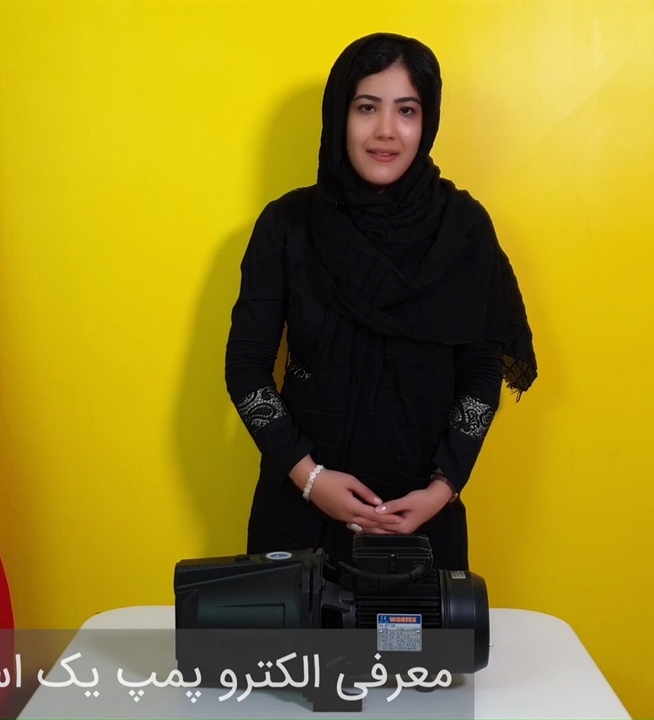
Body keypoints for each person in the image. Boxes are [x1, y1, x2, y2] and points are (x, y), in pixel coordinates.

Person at [224, 32, 536, 571]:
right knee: (290, 632)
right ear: (339, 115)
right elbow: (247, 369)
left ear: (427, 121)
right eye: (367, 107)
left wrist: (442, 489)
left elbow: (480, 373)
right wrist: (310, 479)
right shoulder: (289, 225)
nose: (386, 131)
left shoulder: (463, 230)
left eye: (406, 110)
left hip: (419, 523)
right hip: (299, 514)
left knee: (422, 634)